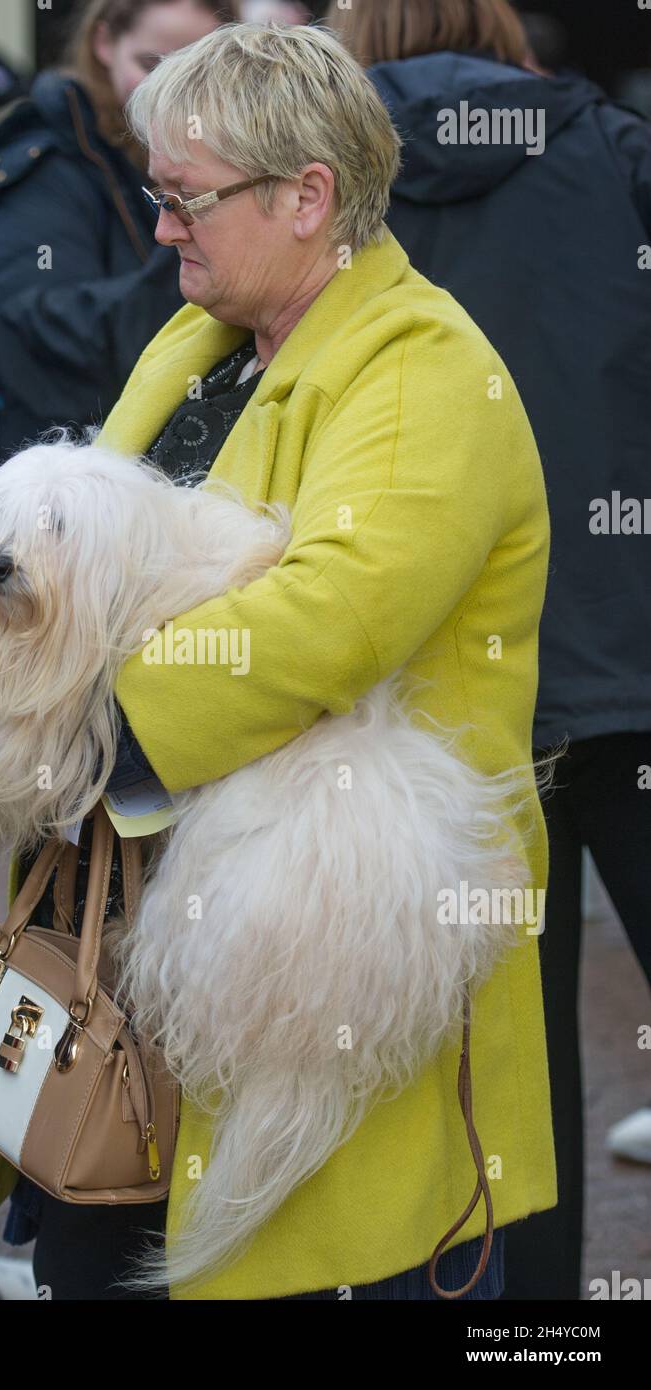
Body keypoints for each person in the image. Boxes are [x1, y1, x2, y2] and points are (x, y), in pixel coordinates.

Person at [0, 20, 556, 1301]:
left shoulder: (420, 369)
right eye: (157, 195)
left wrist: (66, 725)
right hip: (143, 955)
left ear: (310, 198)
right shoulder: (205, 344)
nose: (163, 227)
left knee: (304, 1260)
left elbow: (325, 620)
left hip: (319, 961)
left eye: (187, 199)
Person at [327, 0, 651, 1301]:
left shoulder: (324, 191)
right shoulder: (615, 155)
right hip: (625, 646)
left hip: (435, 688)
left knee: (500, 1067)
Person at [0, 0, 235, 457]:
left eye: (200, 68)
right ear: (104, 42)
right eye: (152, 64)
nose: (174, 88)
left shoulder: (204, 158)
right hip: (76, 477)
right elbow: (44, 327)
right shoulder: (49, 166)